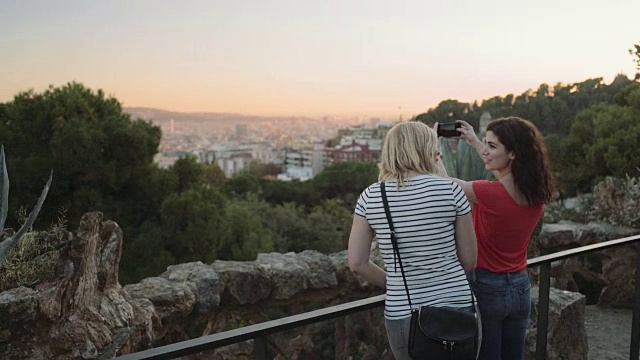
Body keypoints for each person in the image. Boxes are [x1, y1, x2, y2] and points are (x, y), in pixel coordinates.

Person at [348, 121, 477, 360]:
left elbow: (357, 263)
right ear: (428, 148)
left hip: (404, 311)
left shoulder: (371, 196)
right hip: (456, 305)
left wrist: (396, 282)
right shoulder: (451, 191)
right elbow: (469, 260)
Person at [437, 117, 555, 360]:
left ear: (512, 153)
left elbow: (443, 184)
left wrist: (434, 153)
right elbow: (498, 167)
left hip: (489, 289)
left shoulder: (489, 193)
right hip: (520, 289)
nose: (486, 152)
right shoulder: (536, 192)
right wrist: (473, 141)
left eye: (492, 146)